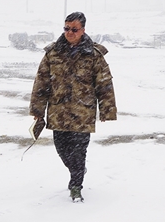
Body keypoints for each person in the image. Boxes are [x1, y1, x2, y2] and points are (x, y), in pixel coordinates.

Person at [29, 12, 117, 202]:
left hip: (82, 113)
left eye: (74, 29)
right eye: (66, 28)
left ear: (83, 30)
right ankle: (78, 169)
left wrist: (107, 110)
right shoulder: (52, 53)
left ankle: (76, 186)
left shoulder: (93, 55)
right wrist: (37, 110)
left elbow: (104, 83)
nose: (70, 32)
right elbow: (41, 83)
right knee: (62, 150)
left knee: (78, 152)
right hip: (58, 112)